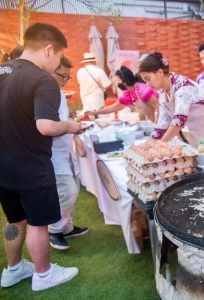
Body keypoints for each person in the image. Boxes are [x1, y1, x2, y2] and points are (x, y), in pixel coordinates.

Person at [0, 23, 79, 291]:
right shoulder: (42, 79)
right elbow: (46, 126)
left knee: (14, 220)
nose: (57, 62)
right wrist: (68, 125)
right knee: (37, 223)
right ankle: (44, 275)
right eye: (58, 56)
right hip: (31, 165)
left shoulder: (2, 70)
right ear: (48, 49)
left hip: (3, 165)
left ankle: (13, 269)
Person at [139, 52, 204, 153]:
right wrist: (147, 145)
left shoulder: (182, 84)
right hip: (200, 137)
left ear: (160, 72)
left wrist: (161, 144)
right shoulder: (163, 94)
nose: (147, 84)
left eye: (148, 79)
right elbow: (162, 124)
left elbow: (179, 119)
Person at [48, 55, 89, 251]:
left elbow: (59, 117)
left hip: (65, 148)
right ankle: (54, 230)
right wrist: (70, 126)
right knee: (66, 190)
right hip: (53, 151)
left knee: (75, 185)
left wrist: (69, 117)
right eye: (63, 76)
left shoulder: (58, 92)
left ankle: (67, 227)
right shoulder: (44, 91)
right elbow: (46, 125)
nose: (65, 81)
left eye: (68, 77)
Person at [85, 66, 159, 122]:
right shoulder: (128, 94)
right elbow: (114, 107)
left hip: (158, 121)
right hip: (148, 122)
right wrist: (94, 112)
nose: (117, 83)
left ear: (124, 82)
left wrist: (157, 126)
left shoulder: (143, 91)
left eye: (118, 80)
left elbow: (159, 107)